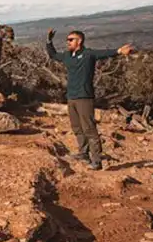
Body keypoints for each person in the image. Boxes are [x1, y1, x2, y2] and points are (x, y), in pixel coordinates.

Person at [46, 28, 135, 169]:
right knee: (76, 127)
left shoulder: (88, 54)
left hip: (84, 97)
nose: (67, 42)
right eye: (67, 39)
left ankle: (97, 160)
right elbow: (53, 55)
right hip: (71, 97)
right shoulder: (68, 56)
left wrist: (118, 51)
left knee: (89, 128)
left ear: (79, 41)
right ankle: (83, 153)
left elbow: (104, 54)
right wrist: (49, 41)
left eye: (71, 39)